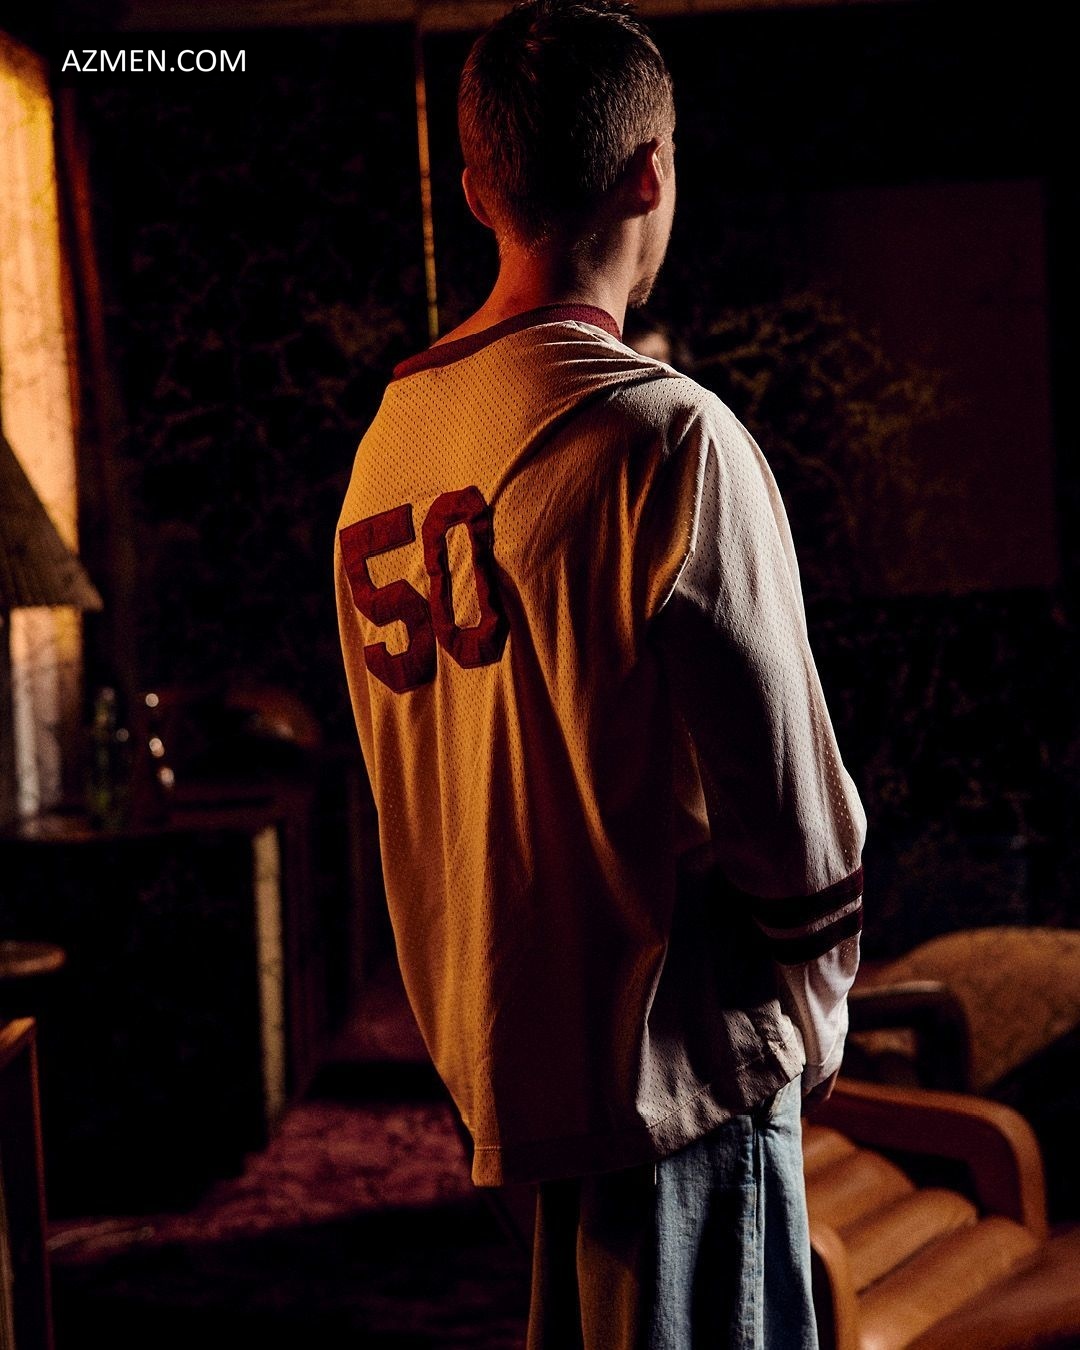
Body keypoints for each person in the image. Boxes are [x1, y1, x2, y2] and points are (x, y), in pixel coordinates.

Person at [335, 2, 866, 1346]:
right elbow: (790, 810)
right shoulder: (668, 436)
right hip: (679, 1066)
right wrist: (817, 1020)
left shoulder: (390, 441)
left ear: (477, 190)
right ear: (651, 171)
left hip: (508, 1060)